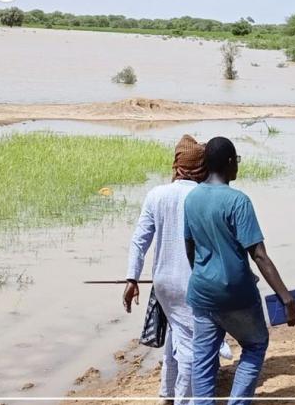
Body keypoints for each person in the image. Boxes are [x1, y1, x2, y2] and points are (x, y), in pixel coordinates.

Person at [184, 136, 295, 405]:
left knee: (203, 360)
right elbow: (259, 255)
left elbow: (190, 247)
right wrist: (287, 299)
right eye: (236, 160)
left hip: (202, 293)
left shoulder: (191, 199)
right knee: (255, 344)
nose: (237, 166)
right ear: (229, 163)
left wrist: (203, 275)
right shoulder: (238, 201)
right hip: (236, 293)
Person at [123, 134, 230, 405]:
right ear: (201, 168)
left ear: (177, 166)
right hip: (193, 284)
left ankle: (166, 394)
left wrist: (132, 278)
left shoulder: (156, 195)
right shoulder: (203, 195)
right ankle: (185, 399)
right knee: (193, 349)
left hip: (162, 285)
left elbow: (139, 240)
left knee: (176, 334)